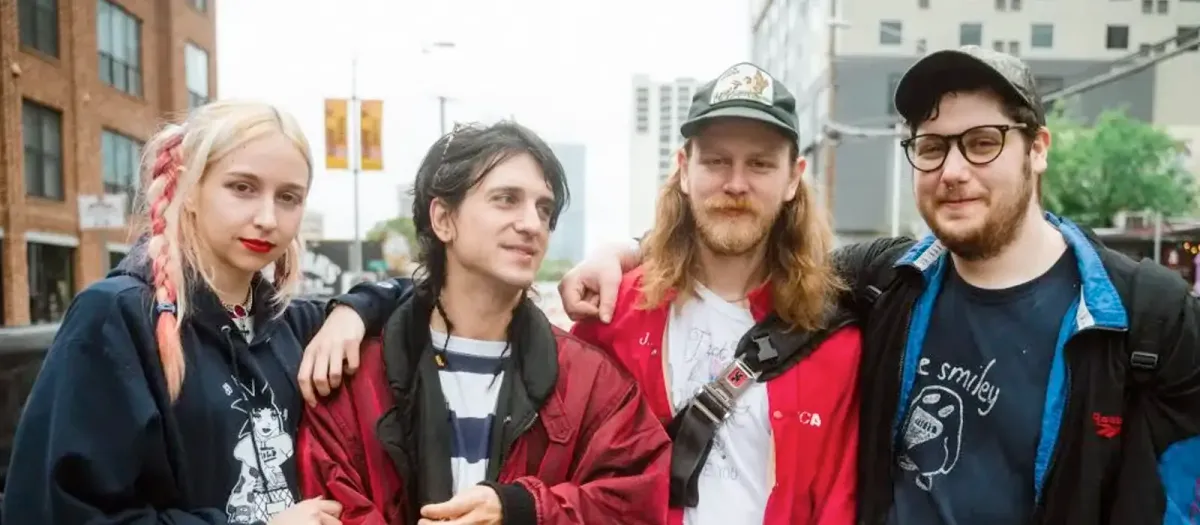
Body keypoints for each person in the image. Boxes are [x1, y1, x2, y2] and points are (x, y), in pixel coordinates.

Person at [558, 46, 1200, 525]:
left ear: (1037, 149)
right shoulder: (889, 283)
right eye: (932, 146)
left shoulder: (1142, 315)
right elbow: (732, 244)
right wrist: (626, 252)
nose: (953, 170)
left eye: (982, 143)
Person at [2, 100, 410, 525]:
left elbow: (422, 295)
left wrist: (354, 309)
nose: (267, 218)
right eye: (242, 187)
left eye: (289, 197)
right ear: (189, 189)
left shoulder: (294, 326)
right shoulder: (118, 316)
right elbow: (61, 513)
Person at [295, 122, 671, 525]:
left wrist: (525, 511)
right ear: (443, 219)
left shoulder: (593, 383)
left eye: (544, 209)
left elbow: (634, 504)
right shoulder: (351, 377)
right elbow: (330, 507)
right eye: (506, 199)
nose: (532, 224)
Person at [563, 62, 859, 525]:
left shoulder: (833, 342)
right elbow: (567, 476)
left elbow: (839, 504)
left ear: (792, 178)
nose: (735, 184)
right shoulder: (611, 316)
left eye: (760, 163)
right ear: (684, 170)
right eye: (716, 160)